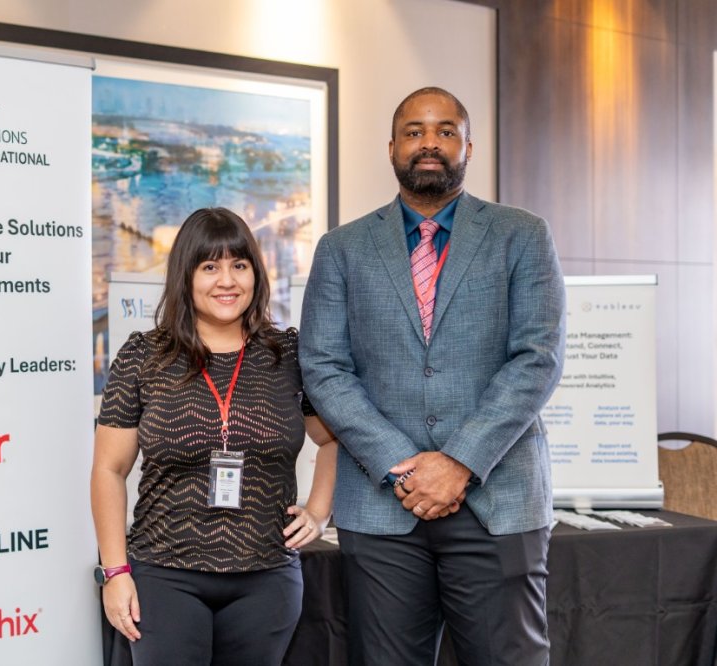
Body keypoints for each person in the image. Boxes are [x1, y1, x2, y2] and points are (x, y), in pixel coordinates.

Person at [299, 87, 566, 665]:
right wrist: (402, 465)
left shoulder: (522, 235)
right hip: (381, 505)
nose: (430, 143)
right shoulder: (341, 248)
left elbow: (537, 358)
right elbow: (323, 366)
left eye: (446, 131)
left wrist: (458, 462)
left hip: (499, 499)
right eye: (414, 131)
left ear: (468, 146)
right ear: (391, 147)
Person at [91, 207, 337, 665]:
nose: (227, 281)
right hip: (164, 575)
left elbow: (333, 437)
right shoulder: (144, 356)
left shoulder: (287, 354)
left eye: (239, 265)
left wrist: (320, 513)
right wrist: (115, 570)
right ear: (185, 276)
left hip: (267, 577)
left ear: (255, 273)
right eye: (209, 267)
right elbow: (109, 468)